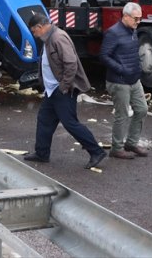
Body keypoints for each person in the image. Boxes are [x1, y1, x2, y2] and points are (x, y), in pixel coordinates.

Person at [22, 12, 108, 170]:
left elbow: (71, 64)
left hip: (62, 90)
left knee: (70, 123)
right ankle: (41, 153)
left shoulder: (58, 38)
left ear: (40, 27)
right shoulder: (48, 38)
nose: (34, 34)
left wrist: (64, 87)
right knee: (44, 119)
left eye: (34, 31)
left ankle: (96, 151)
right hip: (52, 90)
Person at [99, 2, 148, 159]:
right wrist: (122, 69)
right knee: (122, 115)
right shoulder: (113, 33)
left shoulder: (132, 30)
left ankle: (131, 143)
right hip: (119, 82)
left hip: (134, 80)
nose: (138, 22)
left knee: (142, 109)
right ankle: (117, 148)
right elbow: (104, 56)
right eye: (136, 18)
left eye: (140, 19)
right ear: (125, 16)